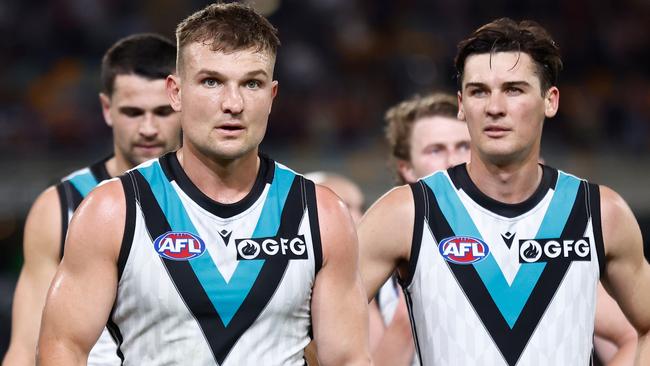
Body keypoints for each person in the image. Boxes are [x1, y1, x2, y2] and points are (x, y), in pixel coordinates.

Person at [37, 3, 370, 366]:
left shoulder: (323, 215)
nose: (233, 103)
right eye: (211, 81)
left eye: (252, 83)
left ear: (272, 97)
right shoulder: (111, 211)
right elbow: (62, 347)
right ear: (175, 93)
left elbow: (348, 359)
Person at [358, 18, 650, 365]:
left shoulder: (599, 212)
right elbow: (316, 322)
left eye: (514, 89)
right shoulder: (404, 213)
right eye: (479, 91)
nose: (495, 107)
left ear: (550, 100)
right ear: (461, 105)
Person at [2, 33, 181, 366]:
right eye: (132, 112)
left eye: (162, 111)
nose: (148, 128)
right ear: (106, 109)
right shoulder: (60, 207)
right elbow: (25, 349)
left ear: (182, 104)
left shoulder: (222, 201)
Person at [371, 92, 470, 366]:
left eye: (464, 146)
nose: (453, 161)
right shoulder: (377, 262)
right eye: (435, 150)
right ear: (408, 169)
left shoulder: (528, 236)